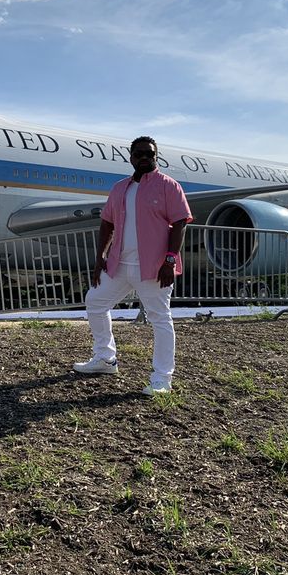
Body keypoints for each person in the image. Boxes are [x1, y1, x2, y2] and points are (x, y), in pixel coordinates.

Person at [73, 136, 192, 395]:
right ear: (131, 157)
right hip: (119, 264)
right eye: (139, 154)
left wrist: (170, 260)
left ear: (156, 156)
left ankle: (162, 378)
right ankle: (105, 358)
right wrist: (100, 258)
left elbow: (180, 222)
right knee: (95, 301)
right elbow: (107, 222)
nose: (144, 158)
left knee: (160, 319)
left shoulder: (168, 186)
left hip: (153, 267)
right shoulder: (120, 188)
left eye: (149, 153)